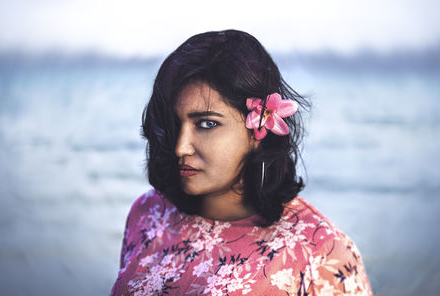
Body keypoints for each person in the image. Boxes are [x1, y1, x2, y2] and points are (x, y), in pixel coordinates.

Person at [110, 29, 372, 296]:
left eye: (207, 124)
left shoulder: (321, 251)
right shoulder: (148, 213)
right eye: (174, 124)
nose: (180, 147)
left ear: (258, 128)